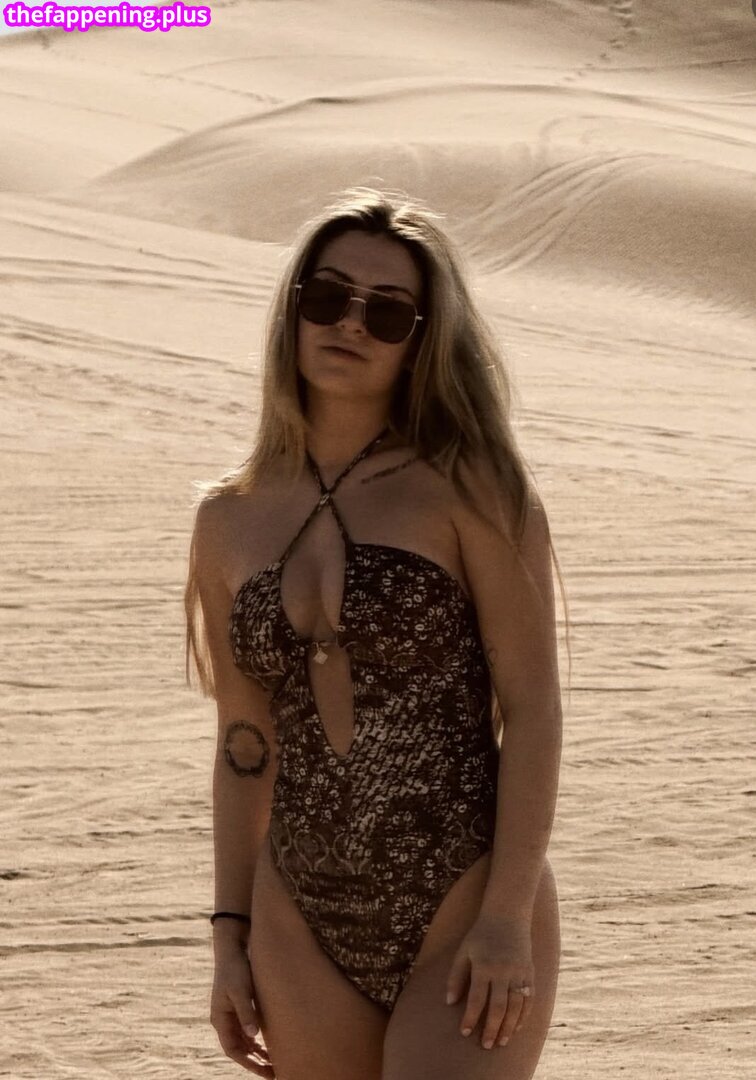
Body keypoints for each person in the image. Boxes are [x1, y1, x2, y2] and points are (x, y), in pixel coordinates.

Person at [184, 187, 567, 1080]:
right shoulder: (226, 519)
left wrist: (508, 915)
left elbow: (534, 709)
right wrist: (229, 937)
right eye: (327, 297)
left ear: (423, 339)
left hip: (464, 894)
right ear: (293, 309)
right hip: (299, 910)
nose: (350, 323)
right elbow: (244, 742)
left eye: (387, 311)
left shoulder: (473, 487)